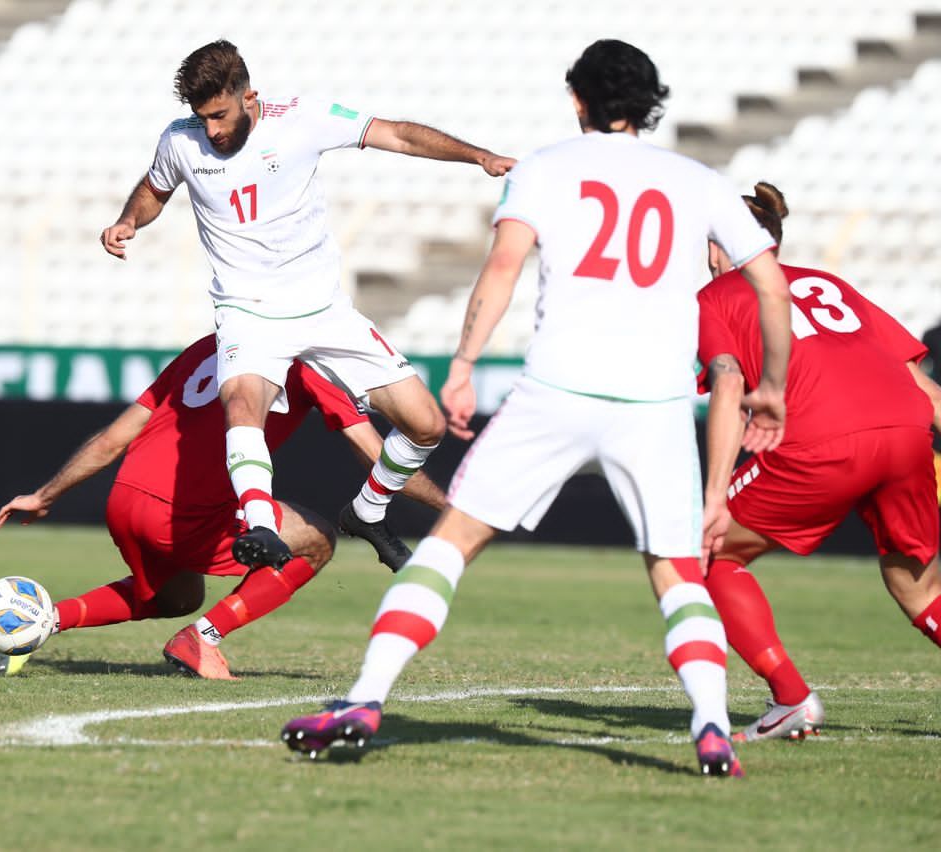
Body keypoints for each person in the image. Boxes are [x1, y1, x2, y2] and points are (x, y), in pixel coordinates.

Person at [282, 39, 794, 777]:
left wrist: (462, 366)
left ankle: (364, 700)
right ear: (649, 104)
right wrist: (770, 384)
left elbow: (501, 266)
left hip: (558, 386)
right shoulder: (697, 180)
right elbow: (771, 287)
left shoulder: (547, 167)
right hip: (653, 397)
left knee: (451, 545)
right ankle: (712, 726)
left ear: (578, 100)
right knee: (677, 572)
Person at [100, 40, 513, 574]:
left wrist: (478, 156)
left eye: (221, 116)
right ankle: (260, 525)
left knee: (425, 425)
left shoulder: (302, 119)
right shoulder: (181, 142)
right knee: (243, 404)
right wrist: (130, 220)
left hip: (324, 312)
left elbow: (398, 134)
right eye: (202, 120)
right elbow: (154, 190)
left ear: (249, 97)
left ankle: (367, 510)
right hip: (247, 311)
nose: (213, 132)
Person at [0, 334, 446, 678]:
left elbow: (113, 438)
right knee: (317, 539)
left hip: (125, 501)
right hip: (182, 516)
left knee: (179, 597)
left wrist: (45, 494)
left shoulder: (206, 348)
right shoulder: (304, 364)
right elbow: (374, 453)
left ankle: (40, 623)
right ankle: (203, 639)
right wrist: (452, 506)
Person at [698, 182, 941, 741]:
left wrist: (714, 497)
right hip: (906, 432)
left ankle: (790, 698)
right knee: (919, 588)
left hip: (818, 439)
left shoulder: (715, 298)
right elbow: (925, 393)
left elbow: (730, 384)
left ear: (717, 245)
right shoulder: (832, 284)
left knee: (708, 552)